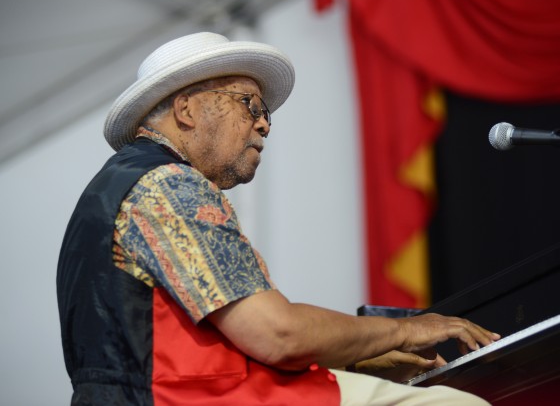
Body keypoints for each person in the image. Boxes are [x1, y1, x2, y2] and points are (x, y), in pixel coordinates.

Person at [57, 32, 500, 405]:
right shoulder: (170, 183)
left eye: (265, 112)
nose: (265, 124)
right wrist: (405, 331)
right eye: (250, 104)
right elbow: (277, 335)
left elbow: (184, 343)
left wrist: (353, 358)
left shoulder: (122, 188)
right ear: (187, 110)